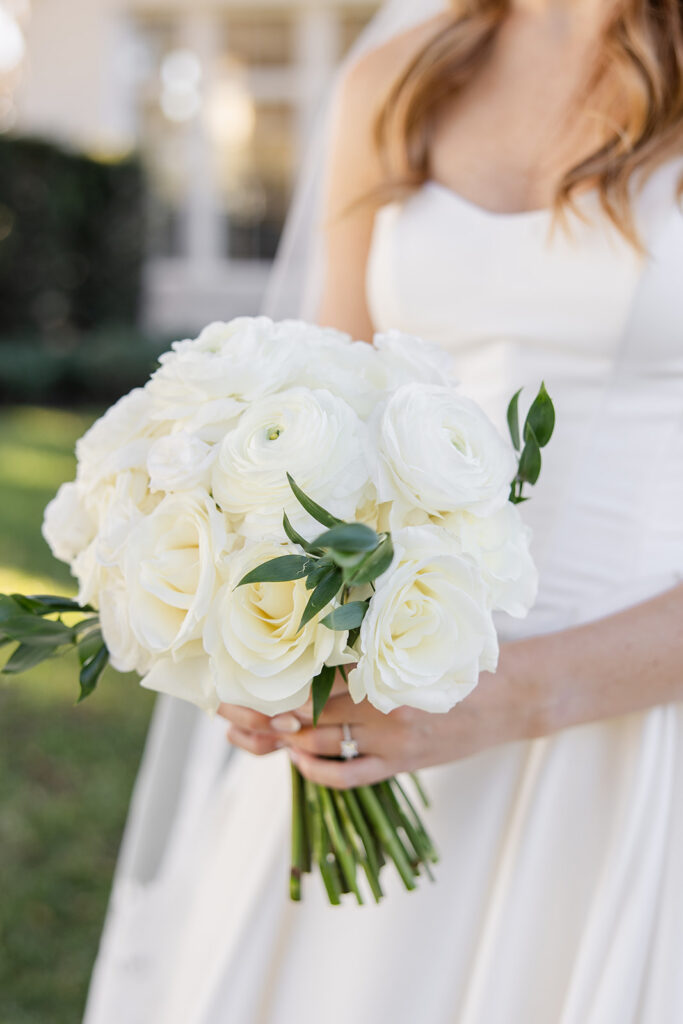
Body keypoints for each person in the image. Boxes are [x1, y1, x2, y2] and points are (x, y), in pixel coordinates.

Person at [84, 1, 683, 1021]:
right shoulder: (396, 78)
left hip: (633, 722)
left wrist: (512, 696)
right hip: (384, 708)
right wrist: (268, 634)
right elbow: (322, 414)